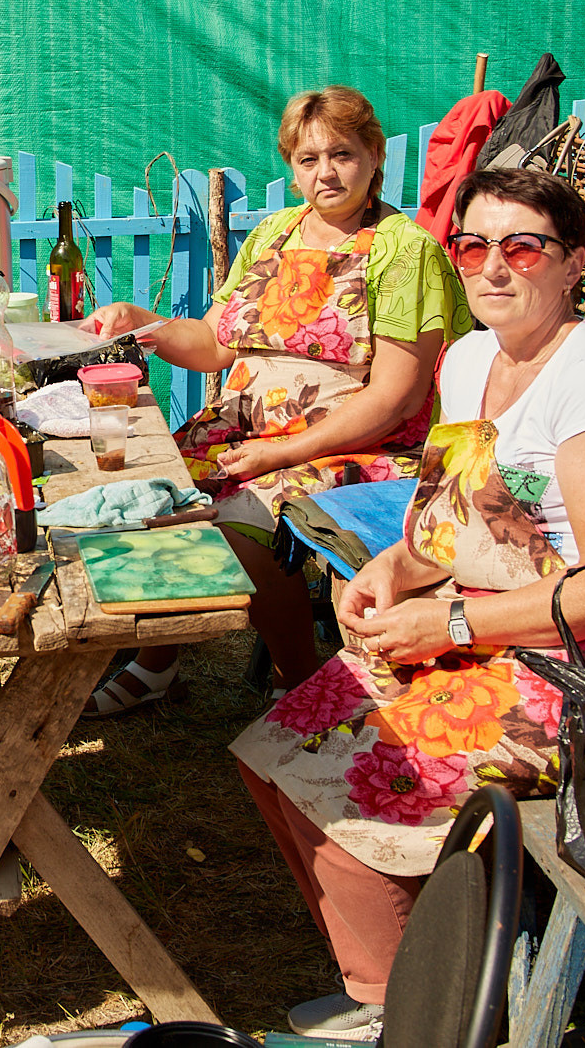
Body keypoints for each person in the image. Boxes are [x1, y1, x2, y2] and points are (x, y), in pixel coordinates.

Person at [232, 167, 585, 1040]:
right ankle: (386, 988)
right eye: (474, 245)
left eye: (524, 246)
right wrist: (394, 570)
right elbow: (450, 517)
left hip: (581, 677)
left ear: (574, 261)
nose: (493, 267)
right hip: (480, 634)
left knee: (351, 791)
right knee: (271, 751)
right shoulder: (471, 359)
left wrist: (451, 622)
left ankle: (419, 1016)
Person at [83, 86, 471, 714]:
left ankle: (304, 685)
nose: (326, 172)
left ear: (374, 156)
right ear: (291, 168)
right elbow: (214, 343)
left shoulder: (406, 251)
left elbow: (397, 398)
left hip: (355, 447)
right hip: (243, 433)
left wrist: (283, 451)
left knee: (241, 528)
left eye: (342, 154)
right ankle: (160, 659)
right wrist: (139, 322)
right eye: (308, 158)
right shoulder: (273, 235)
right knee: (141, 494)